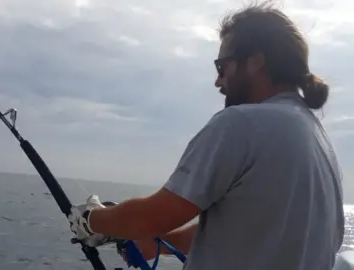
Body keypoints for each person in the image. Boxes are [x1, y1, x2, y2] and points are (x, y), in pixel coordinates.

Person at [68, 2, 345, 270]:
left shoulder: (242, 124)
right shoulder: (318, 141)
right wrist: (161, 244)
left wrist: (91, 219)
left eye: (222, 67)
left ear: (255, 61)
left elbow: (152, 217)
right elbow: (249, 229)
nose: (218, 81)